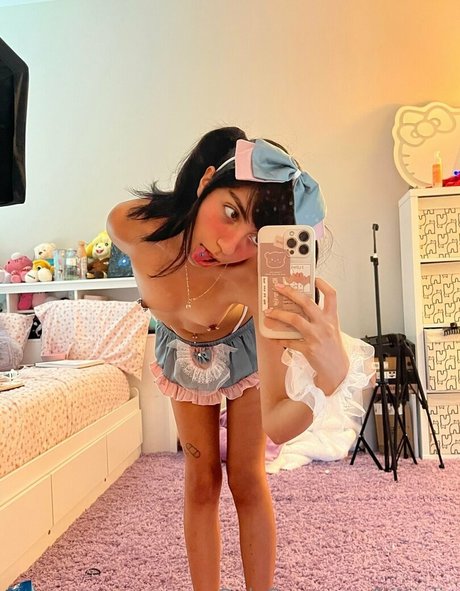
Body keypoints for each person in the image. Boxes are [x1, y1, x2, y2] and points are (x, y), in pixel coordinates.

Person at [107, 126, 372, 591]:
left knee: (247, 478)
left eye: (255, 238)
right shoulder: (132, 228)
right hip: (180, 350)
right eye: (230, 213)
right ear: (207, 179)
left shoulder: (253, 279)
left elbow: (279, 423)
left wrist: (328, 380)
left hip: (243, 345)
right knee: (201, 479)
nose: (229, 246)